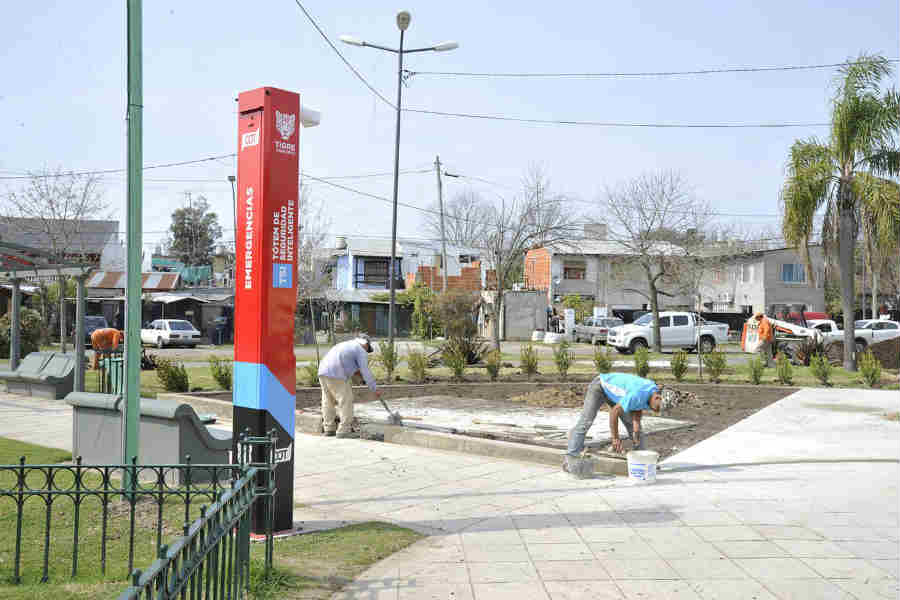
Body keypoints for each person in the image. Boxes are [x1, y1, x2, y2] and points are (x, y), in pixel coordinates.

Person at [563, 372, 669, 472]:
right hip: (600, 387)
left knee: (637, 431)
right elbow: (614, 412)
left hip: (617, 396)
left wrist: (636, 424)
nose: (656, 411)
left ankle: (642, 462)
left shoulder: (652, 392)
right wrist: (615, 438)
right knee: (585, 422)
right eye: (658, 408)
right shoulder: (639, 393)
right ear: (657, 397)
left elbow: (638, 405)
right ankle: (570, 459)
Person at [317, 334, 381, 438]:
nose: (366, 351)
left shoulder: (346, 345)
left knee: (328, 401)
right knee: (345, 400)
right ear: (365, 344)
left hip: (323, 371)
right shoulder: (360, 350)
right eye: (367, 348)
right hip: (337, 373)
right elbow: (365, 371)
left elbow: (356, 370)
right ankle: (344, 430)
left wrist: (362, 379)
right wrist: (374, 388)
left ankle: (329, 428)